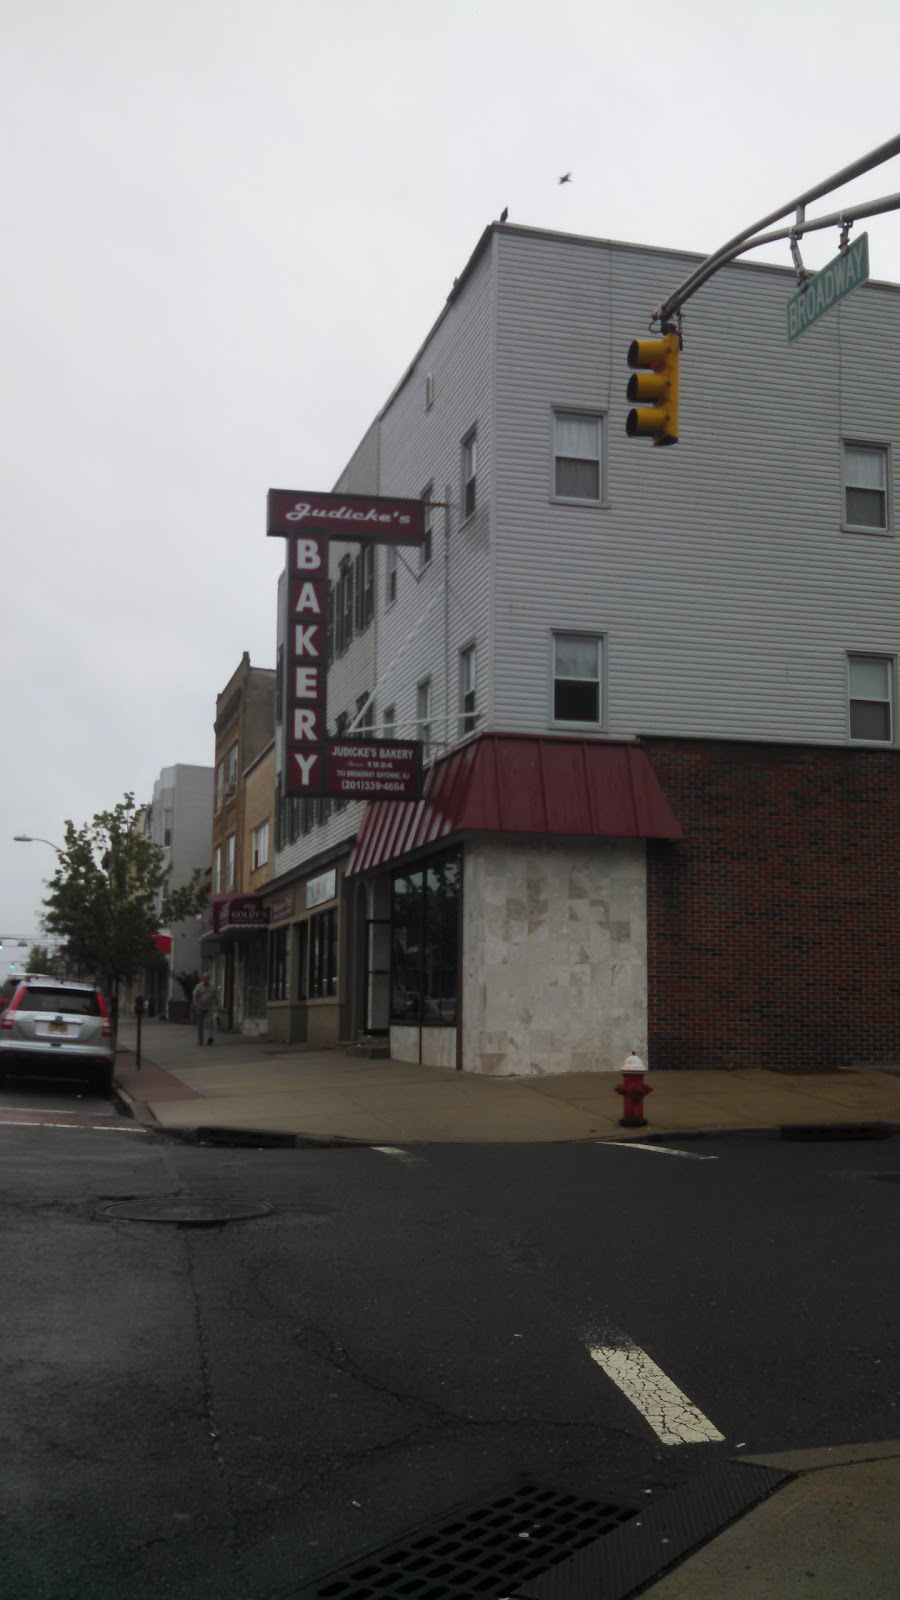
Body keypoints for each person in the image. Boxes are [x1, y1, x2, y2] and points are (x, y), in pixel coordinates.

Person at [191, 972, 218, 1045]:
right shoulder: (199, 986)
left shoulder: (212, 987)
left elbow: (215, 998)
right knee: (200, 1025)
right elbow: (194, 996)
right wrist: (195, 1003)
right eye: (204, 978)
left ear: (209, 979)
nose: (206, 980)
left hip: (209, 1008)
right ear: (203, 979)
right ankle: (200, 1040)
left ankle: (210, 1037)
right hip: (200, 1007)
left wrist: (216, 1006)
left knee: (209, 1023)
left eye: (207, 978)